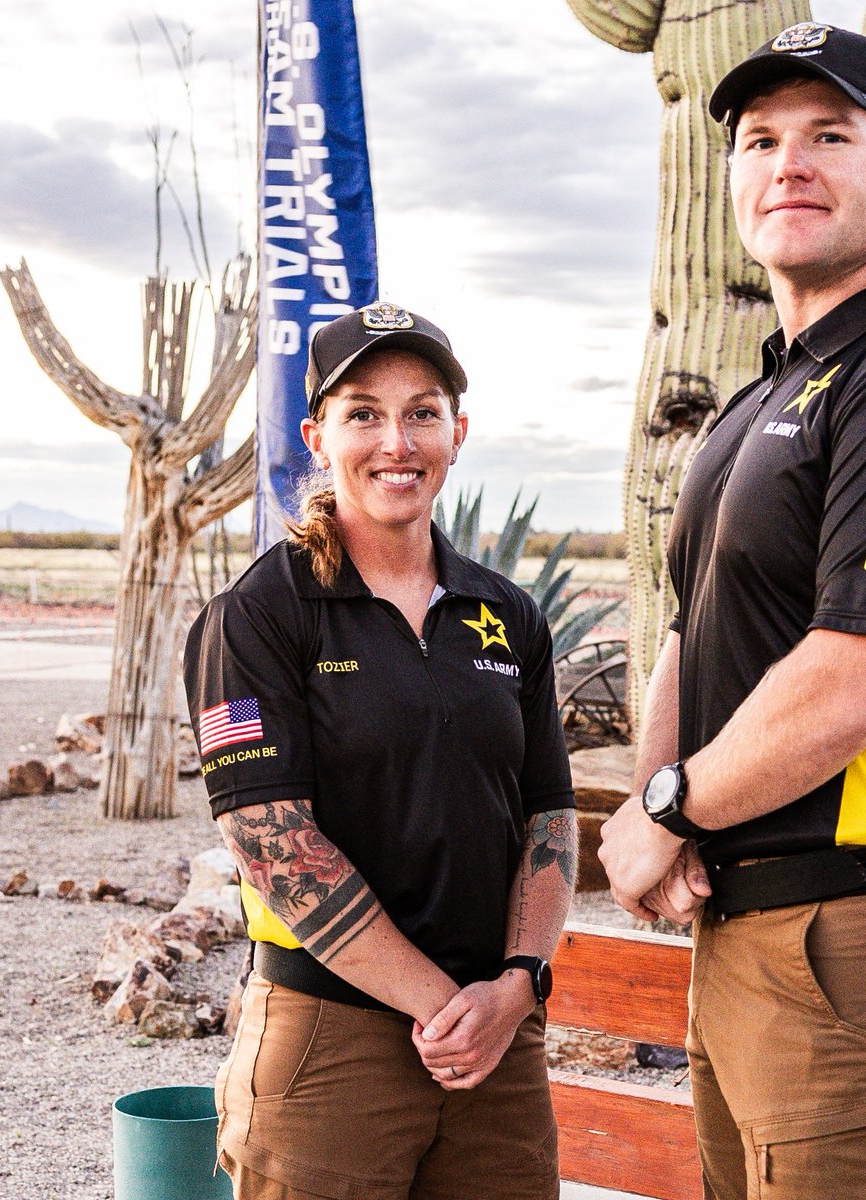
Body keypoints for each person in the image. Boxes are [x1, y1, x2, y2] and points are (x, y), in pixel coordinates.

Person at [599, 23, 866, 1200]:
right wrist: (666, 819)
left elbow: (859, 668)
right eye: (760, 139)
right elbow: (693, 627)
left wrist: (671, 806)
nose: (788, 162)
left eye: (830, 135)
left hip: (860, 939)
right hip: (745, 933)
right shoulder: (765, 394)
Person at [184, 301, 577, 1200]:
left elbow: (549, 815)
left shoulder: (507, 613)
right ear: (319, 436)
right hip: (333, 1043)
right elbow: (270, 840)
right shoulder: (259, 615)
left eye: (422, 411)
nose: (396, 440)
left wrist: (517, 985)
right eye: (364, 412)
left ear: (457, 432)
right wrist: (446, 1008)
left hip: (496, 1044)